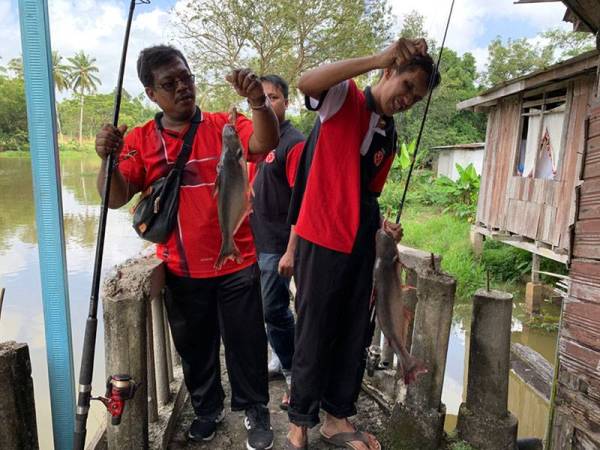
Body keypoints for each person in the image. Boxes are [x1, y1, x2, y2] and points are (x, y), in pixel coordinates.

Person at [94, 45, 279, 450]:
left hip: (238, 261)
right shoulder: (141, 139)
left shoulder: (222, 125)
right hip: (181, 267)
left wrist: (258, 101)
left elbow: (264, 143)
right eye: (169, 83)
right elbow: (114, 196)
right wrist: (106, 159)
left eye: (186, 78)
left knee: (247, 341)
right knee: (195, 349)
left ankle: (255, 408)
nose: (182, 88)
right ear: (151, 93)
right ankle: (207, 409)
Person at [285, 38, 440, 450]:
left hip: (360, 246)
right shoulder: (342, 99)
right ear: (389, 73)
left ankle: (337, 416)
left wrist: (382, 227)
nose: (407, 99)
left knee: (354, 331)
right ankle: (299, 419)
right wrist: (377, 56)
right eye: (406, 86)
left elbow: (366, 192)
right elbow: (305, 81)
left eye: (416, 97)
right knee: (314, 329)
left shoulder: (389, 135)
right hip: (321, 237)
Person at [248, 74, 305, 409]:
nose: (268, 103)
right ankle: (279, 358)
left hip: (278, 245)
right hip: (255, 242)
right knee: (265, 309)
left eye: (274, 97)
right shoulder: (257, 140)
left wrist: (291, 250)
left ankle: (294, 373)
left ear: (286, 101)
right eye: (262, 98)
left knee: (275, 310)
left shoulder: (293, 143)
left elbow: (305, 198)